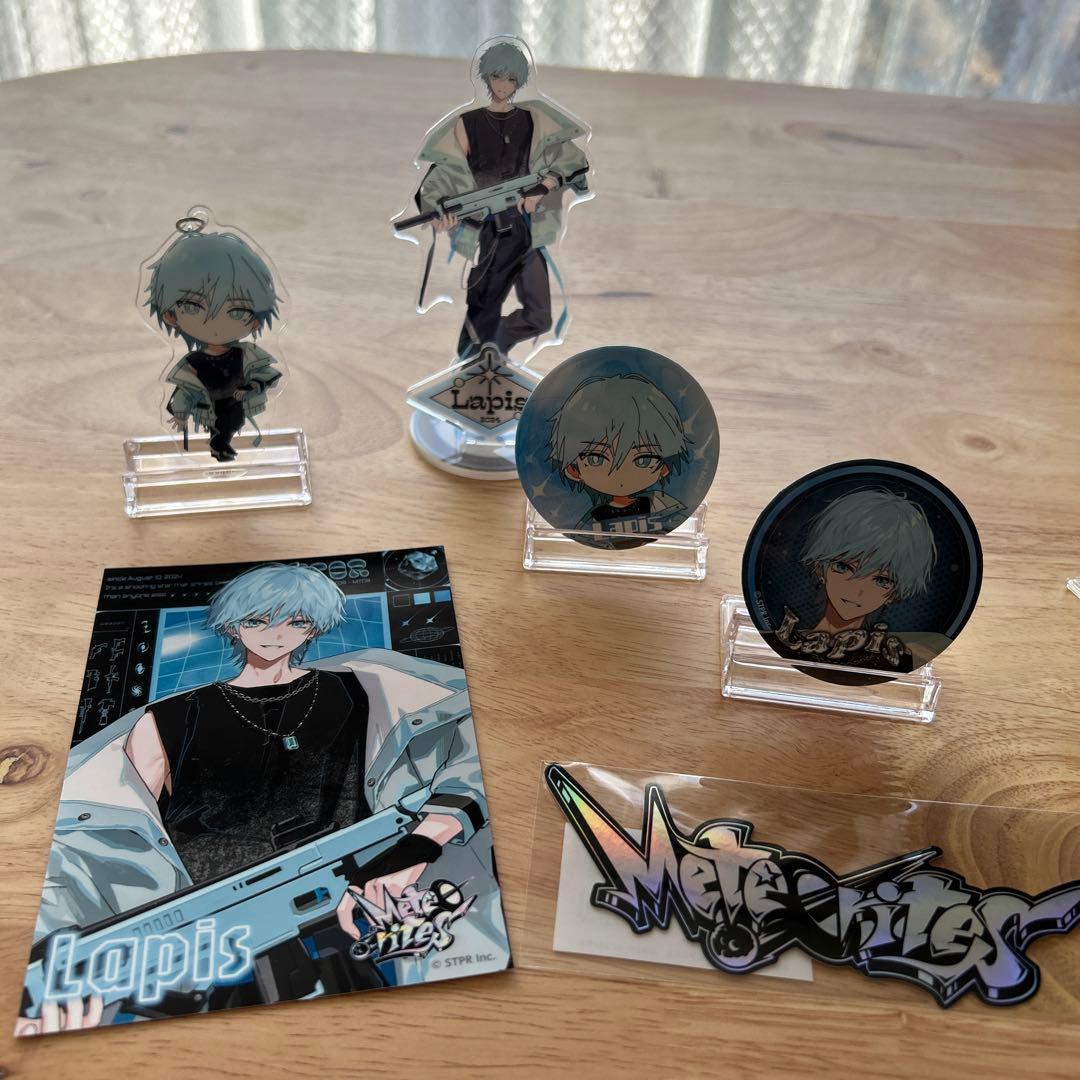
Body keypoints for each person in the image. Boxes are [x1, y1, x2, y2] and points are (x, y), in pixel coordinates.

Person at [23, 564, 503, 1029]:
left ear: (314, 626)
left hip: (361, 908)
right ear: (232, 625)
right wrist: (57, 956)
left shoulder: (367, 687)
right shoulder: (168, 720)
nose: (275, 634)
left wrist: (421, 843)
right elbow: (100, 833)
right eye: (257, 620)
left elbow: (473, 748)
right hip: (217, 939)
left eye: (295, 621)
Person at [413, 38, 590, 359]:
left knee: (539, 316)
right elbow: (443, 174)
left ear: (520, 81)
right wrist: (437, 211)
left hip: (528, 227)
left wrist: (544, 186)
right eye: (497, 76)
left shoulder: (535, 120)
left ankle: (491, 350)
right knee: (485, 304)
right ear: (486, 77)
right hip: (492, 228)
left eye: (511, 78)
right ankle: (474, 359)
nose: (503, 85)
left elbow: (572, 160)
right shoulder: (468, 124)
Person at [146, 224, 282, 461]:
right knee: (222, 425)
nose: (214, 323)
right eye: (193, 307)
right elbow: (185, 390)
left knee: (234, 421)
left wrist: (254, 386)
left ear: (255, 321)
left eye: (237, 311)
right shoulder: (193, 362)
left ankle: (220, 445)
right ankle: (219, 446)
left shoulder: (247, 354)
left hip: (236, 403)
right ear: (170, 315)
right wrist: (180, 414)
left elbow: (267, 374)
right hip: (209, 406)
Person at [767, 488, 942, 671]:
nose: (857, 591)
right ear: (820, 569)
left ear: (895, 593)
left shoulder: (899, 657)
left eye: (881, 580)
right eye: (843, 567)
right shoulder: (784, 635)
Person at [548, 373, 691, 544]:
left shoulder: (664, 506)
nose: (620, 474)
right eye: (596, 459)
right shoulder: (590, 520)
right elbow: (585, 537)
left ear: (664, 468)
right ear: (573, 470)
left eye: (643, 460)